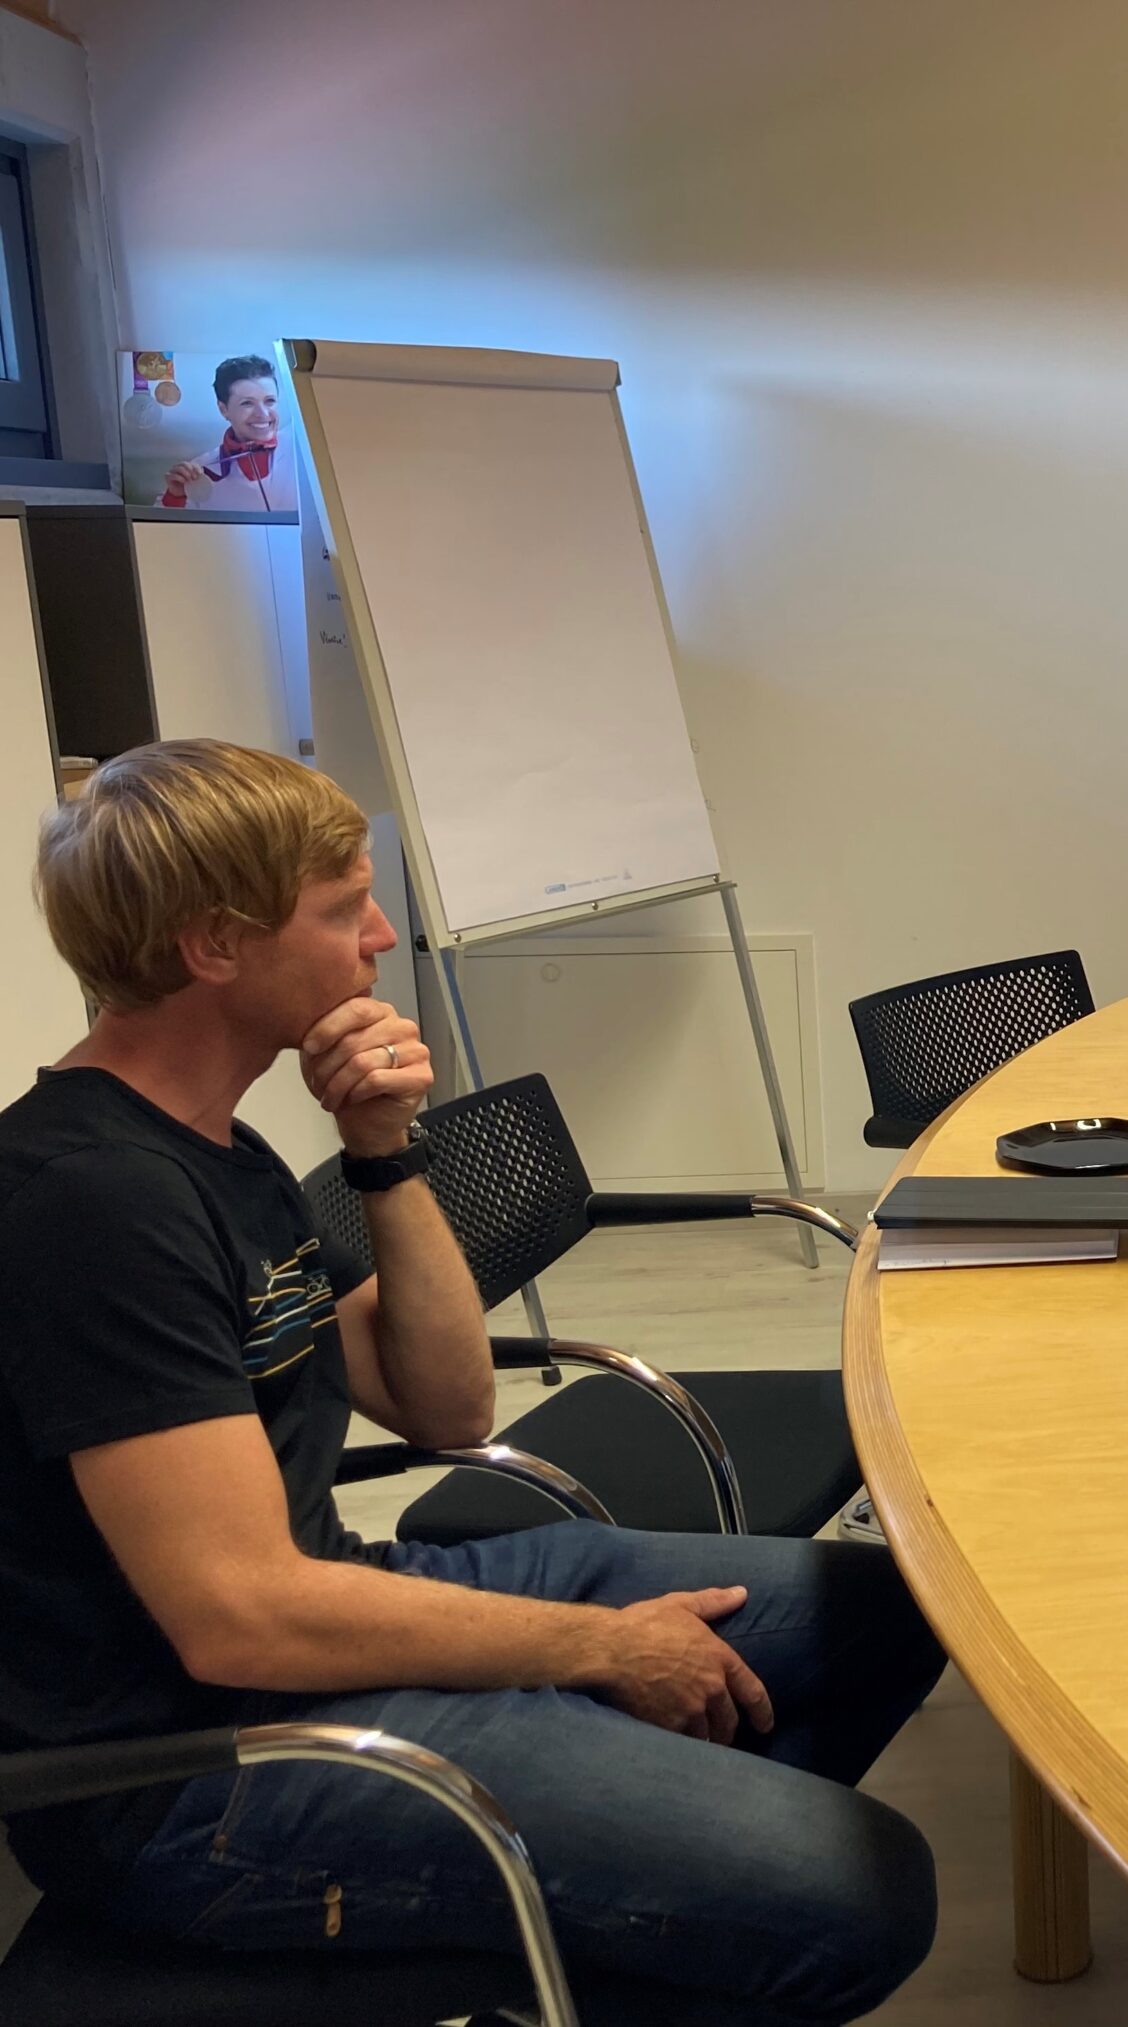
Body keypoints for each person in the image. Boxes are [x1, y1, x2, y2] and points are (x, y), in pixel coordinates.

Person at [0, 741, 943, 2024]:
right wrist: (605, 1648)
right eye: (343, 907)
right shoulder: (91, 1202)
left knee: (884, 1608)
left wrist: (382, 1150)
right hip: (195, 1772)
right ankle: (639, 1903)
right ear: (216, 943)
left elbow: (447, 1406)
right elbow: (239, 1616)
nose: (382, 935)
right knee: (863, 1893)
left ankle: (646, 1894)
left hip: (334, 1616)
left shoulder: (218, 1150)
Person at [160, 353, 295, 512]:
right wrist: (175, 497)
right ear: (223, 409)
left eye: (270, 401)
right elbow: (160, 525)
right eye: (247, 403)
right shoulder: (198, 472)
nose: (263, 414)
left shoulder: (304, 448)